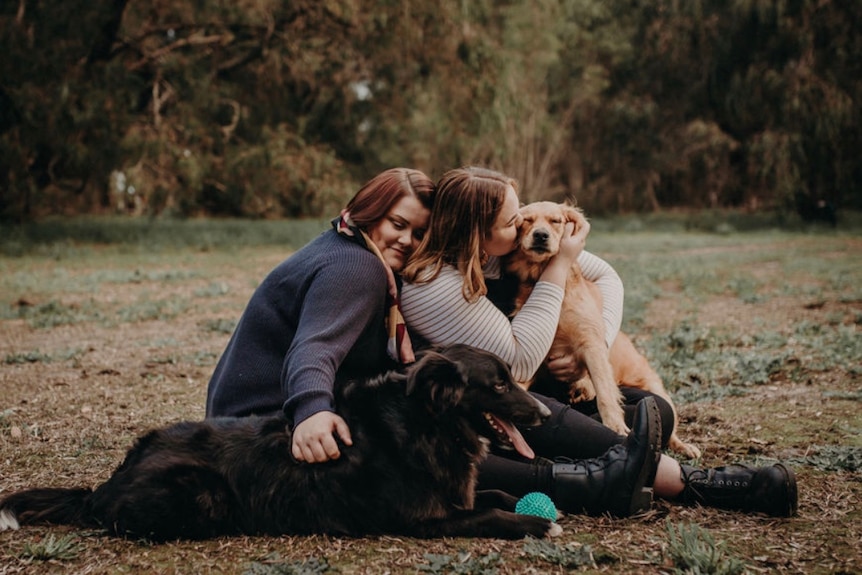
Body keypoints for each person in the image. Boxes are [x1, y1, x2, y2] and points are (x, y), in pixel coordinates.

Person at [400, 166, 798, 518]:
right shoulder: (433, 286)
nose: (525, 227)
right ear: (477, 231)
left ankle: (590, 461)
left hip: (528, 388)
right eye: (513, 221)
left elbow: (607, 277)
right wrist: (559, 264)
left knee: (654, 408)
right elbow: (519, 364)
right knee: (615, 439)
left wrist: (594, 348)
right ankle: (703, 483)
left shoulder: (494, 254)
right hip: (487, 407)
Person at [206, 167, 434, 464]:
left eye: (419, 234)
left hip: (235, 424)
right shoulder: (357, 268)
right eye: (398, 224)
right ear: (371, 211)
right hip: (261, 432)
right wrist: (312, 410)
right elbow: (315, 347)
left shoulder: (344, 245)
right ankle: (517, 501)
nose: (406, 240)